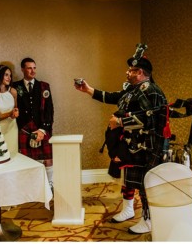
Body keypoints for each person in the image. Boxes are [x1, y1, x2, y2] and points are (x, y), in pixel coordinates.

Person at [73, 48, 168, 235]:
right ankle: (129, 209)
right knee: (129, 177)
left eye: (131, 70)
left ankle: (148, 220)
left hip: (148, 146)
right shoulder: (134, 90)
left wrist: (121, 122)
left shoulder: (151, 91)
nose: (127, 72)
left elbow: (154, 119)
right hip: (132, 144)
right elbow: (113, 97)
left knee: (144, 182)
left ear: (140, 72)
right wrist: (88, 90)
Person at [11, 58, 54, 188]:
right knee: (26, 160)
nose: (32, 71)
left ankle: (50, 184)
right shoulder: (15, 87)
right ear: (22, 69)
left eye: (34, 68)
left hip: (42, 128)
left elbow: (49, 110)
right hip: (24, 129)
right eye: (29, 68)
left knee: (47, 159)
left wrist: (42, 129)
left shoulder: (44, 86)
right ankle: (30, 186)